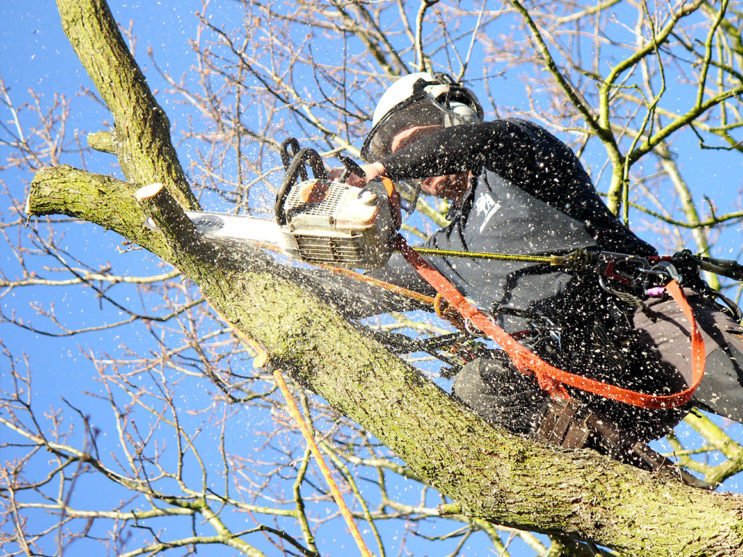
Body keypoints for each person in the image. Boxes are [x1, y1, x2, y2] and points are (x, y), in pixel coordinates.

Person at [351, 71, 743, 468]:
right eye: (401, 155)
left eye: (416, 144)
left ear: (454, 118)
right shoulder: (447, 250)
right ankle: (656, 500)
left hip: (642, 317)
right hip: (576, 378)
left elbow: (474, 142)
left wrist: (380, 168)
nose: (414, 163)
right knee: (480, 386)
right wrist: (300, 246)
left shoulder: (515, 151)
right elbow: (360, 287)